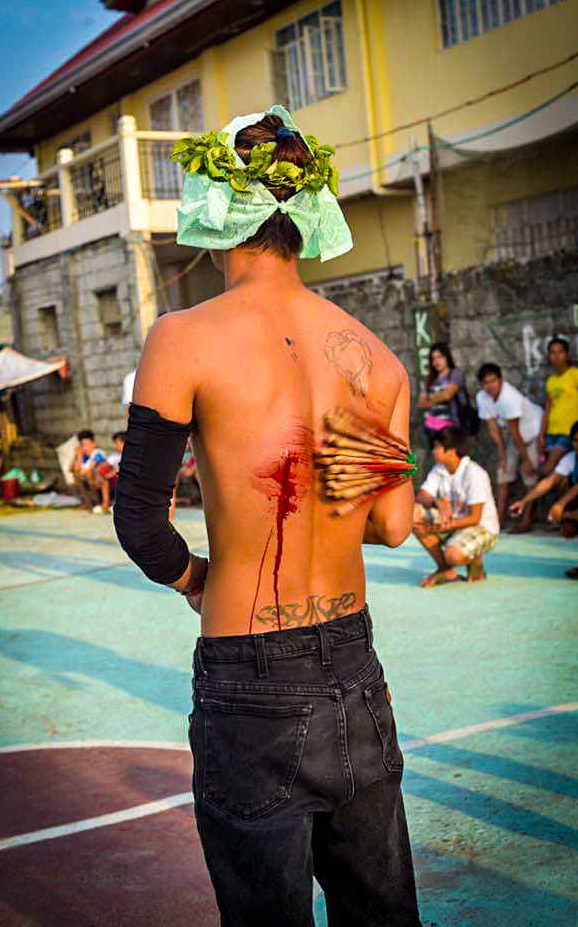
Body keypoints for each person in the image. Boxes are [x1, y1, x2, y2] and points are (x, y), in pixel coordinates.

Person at [114, 106, 421, 926]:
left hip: (250, 668)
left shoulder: (184, 337)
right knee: (381, 910)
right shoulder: (375, 357)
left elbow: (140, 523)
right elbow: (393, 526)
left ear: (222, 209)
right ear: (301, 211)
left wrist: (196, 577)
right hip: (355, 663)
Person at [510, 419, 578, 579]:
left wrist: (560, 505)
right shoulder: (571, 458)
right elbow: (549, 481)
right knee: (568, 528)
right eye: (576, 440)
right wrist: (524, 501)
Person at [413, 426, 499, 587]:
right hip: (454, 522)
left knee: (453, 555)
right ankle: (445, 570)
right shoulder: (439, 469)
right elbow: (422, 496)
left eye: (437, 447)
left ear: (451, 450)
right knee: (414, 515)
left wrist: (439, 527)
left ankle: (475, 559)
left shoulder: (474, 474)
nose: (433, 451)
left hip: (482, 527)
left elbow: (475, 517)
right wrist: (436, 503)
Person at [476, 363, 543, 533]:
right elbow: (493, 428)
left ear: (501, 380)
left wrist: (527, 460)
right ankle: (498, 520)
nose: (489, 385)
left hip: (533, 433)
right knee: (502, 474)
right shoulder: (482, 397)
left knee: (530, 477)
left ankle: (526, 521)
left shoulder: (509, 397)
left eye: (493, 381)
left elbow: (515, 431)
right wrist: (503, 455)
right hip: (515, 438)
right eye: (485, 382)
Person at [538, 337, 578, 475]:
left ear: (567, 354)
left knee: (548, 469)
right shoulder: (551, 381)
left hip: (569, 433)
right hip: (552, 433)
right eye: (552, 353)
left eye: (560, 352)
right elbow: (548, 408)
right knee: (561, 474)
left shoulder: (577, 374)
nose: (556, 356)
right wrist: (541, 434)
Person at [417, 342, 464, 445]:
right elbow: (421, 403)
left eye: (440, 357)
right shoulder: (430, 379)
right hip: (433, 426)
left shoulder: (455, 373)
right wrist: (439, 396)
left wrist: (429, 398)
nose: (437, 361)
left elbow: (448, 395)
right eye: (433, 358)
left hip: (451, 425)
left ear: (447, 357)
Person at [69, 428, 106, 511]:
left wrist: (79, 457)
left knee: (88, 474)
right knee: (76, 476)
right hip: (88, 480)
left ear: (94, 444)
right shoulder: (83, 456)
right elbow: (70, 469)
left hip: (102, 482)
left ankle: (98, 502)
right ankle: (87, 503)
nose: (84, 447)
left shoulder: (98, 453)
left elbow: (87, 470)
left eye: (86, 444)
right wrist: (76, 456)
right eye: (82, 445)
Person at [95, 430, 125, 513]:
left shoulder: (131, 455)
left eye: (117, 443)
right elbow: (101, 466)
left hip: (124, 478)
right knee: (103, 479)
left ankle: (117, 504)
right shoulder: (114, 456)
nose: (115, 446)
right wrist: (98, 475)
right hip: (114, 479)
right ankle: (105, 504)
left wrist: (111, 474)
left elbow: (120, 469)